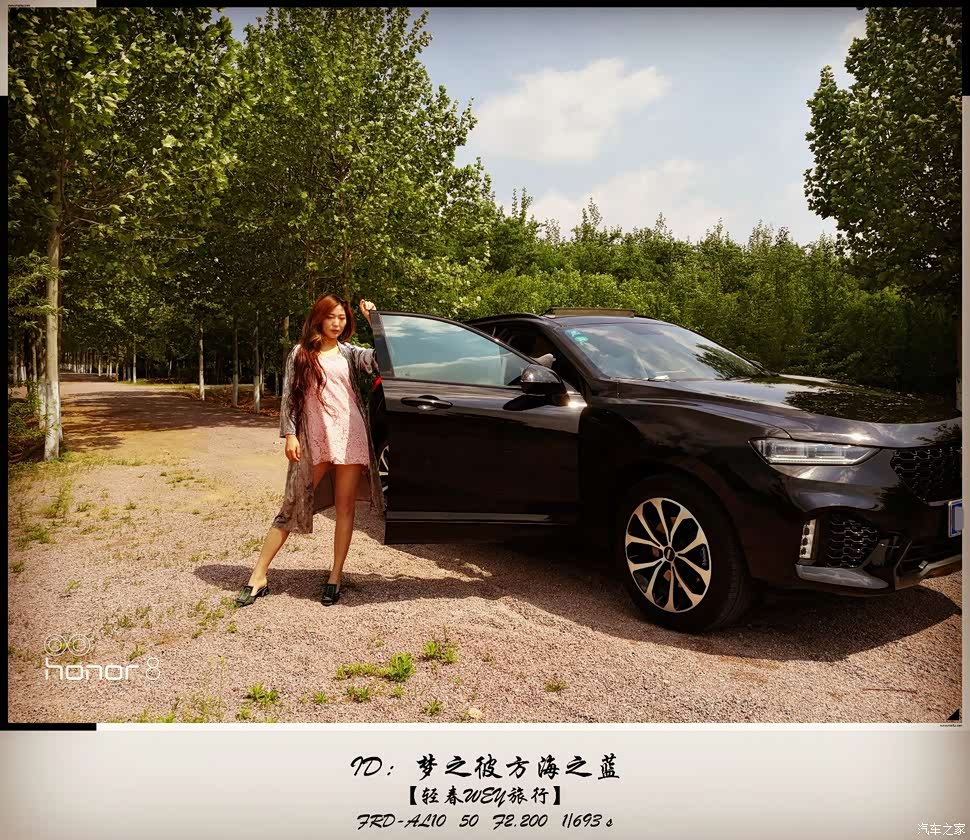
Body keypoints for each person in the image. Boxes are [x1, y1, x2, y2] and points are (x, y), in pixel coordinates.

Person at [235, 295, 385, 608]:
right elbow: (290, 397)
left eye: (342, 318)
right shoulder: (300, 353)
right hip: (314, 438)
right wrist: (290, 434)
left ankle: (335, 576)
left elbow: (384, 360)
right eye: (331, 317)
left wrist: (374, 322)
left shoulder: (349, 352)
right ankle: (258, 575)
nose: (337, 323)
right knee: (292, 503)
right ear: (318, 317)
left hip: (350, 436)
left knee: (345, 507)